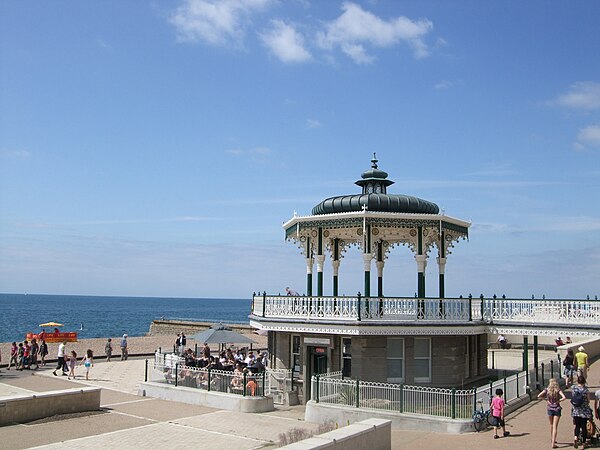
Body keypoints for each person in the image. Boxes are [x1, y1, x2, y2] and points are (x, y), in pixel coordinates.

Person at [538, 378, 567, 448]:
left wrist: (546, 400)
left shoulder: (547, 390)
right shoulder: (558, 390)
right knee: (555, 426)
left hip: (550, 408)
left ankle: (552, 439)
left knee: (551, 424)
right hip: (557, 408)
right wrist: (559, 401)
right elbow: (564, 397)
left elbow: (539, 396)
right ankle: (553, 442)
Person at [571, 374, 593, 449]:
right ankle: (583, 443)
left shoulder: (574, 388)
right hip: (584, 411)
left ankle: (575, 438)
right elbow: (588, 401)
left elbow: (573, 398)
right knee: (583, 427)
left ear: (577, 381)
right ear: (584, 381)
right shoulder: (585, 390)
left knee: (577, 426)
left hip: (576, 410)